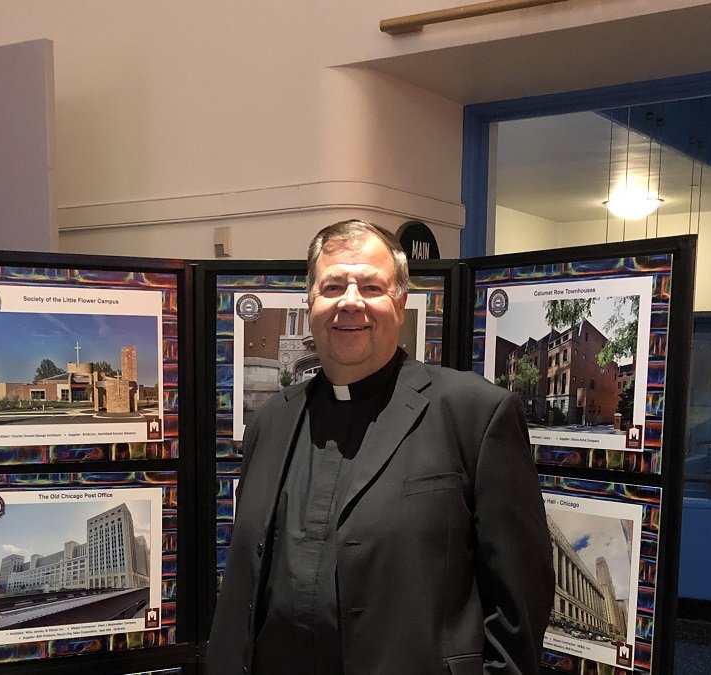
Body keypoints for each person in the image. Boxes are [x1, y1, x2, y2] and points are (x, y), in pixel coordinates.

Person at [206, 220, 555, 674]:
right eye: (333, 286)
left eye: (371, 286)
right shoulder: (271, 423)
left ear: (401, 301)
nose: (350, 302)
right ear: (311, 300)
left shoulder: (475, 415)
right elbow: (245, 585)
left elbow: (520, 605)